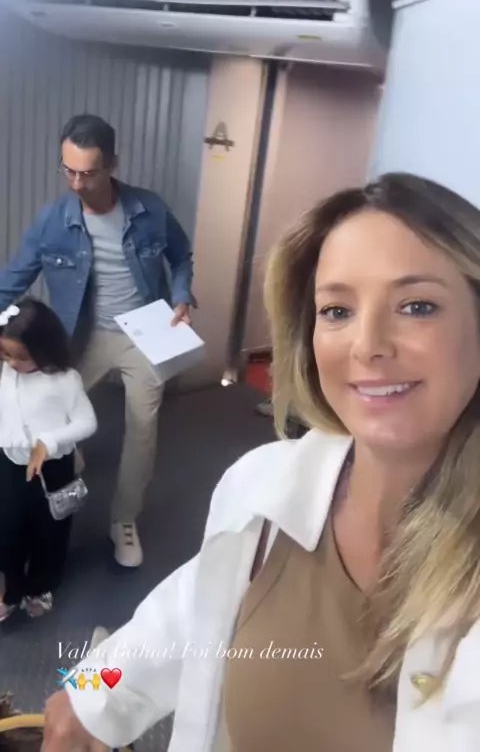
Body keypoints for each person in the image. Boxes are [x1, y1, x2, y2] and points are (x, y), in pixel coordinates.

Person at [41, 173, 480, 752]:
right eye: (337, 310)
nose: (367, 344)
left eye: (417, 306)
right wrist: (91, 690)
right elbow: (188, 613)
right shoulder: (268, 483)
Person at [0, 114, 196, 568]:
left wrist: (181, 296)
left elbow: (181, 256)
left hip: (144, 333)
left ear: (111, 164)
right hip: (81, 333)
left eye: (88, 173)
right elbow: (13, 279)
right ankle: (68, 457)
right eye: (68, 170)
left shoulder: (149, 210)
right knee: (48, 406)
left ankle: (123, 519)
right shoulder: (53, 220)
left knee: (143, 428)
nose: (77, 183)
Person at [0, 300, 97, 622]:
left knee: (50, 530)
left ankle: (40, 586)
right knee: (7, 528)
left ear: (44, 349)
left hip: (52, 466)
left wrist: (49, 441)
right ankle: (12, 588)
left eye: (20, 356)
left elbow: (87, 422)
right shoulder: (7, 371)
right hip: (11, 462)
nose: (11, 363)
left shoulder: (64, 380)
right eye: (5, 354)